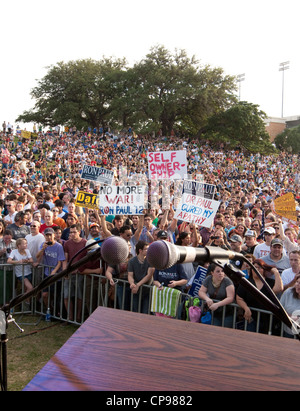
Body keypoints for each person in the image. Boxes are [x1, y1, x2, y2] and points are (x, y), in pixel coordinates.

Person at [236, 258, 283, 333]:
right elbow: (239, 298)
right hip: (252, 319)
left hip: (268, 320)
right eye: (255, 267)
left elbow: (279, 289)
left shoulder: (269, 282)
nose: (257, 269)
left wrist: (276, 272)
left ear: (264, 269)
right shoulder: (246, 283)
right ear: (251, 270)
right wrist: (246, 308)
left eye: (260, 268)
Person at [36, 227, 66, 311]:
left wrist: (54, 271)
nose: (49, 237)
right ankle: (49, 309)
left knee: (55, 295)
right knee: (45, 294)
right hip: (46, 273)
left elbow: (60, 260)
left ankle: (55, 312)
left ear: (54, 235)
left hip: (56, 274)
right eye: (47, 235)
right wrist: (43, 249)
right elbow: (37, 256)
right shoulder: (43, 244)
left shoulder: (58, 246)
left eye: (50, 235)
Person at [62, 223, 87, 322]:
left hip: (80, 274)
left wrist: (80, 269)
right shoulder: (67, 243)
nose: (72, 234)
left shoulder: (85, 243)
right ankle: (69, 317)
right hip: (69, 273)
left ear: (79, 232)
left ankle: (78, 317)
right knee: (66, 296)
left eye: (74, 232)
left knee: (79, 296)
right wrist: (65, 272)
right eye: (70, 232)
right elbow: (65, 259)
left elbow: (86, 259)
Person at [198, 263, 235, 328]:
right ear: (212, 273)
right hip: (214, 313)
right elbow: (201, 291)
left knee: (226, 333)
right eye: (218, 271)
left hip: (227, 313)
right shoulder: (208, 279)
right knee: (214, 330)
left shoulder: (227, 281)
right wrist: (207, 299)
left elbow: (230, 297)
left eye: (222, 271)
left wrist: (217, 304)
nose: (220, 273)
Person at [128, 241, 154, 314]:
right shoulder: (132, 261)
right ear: (140, 250)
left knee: (145, 311)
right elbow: (130, 275)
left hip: (147, 290)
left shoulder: (151, 260)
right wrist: (132, 284)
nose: (148, 251)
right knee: (135, 311)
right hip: (136, 291)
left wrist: (138, 285)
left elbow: (149, 275)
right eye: (146, 249)